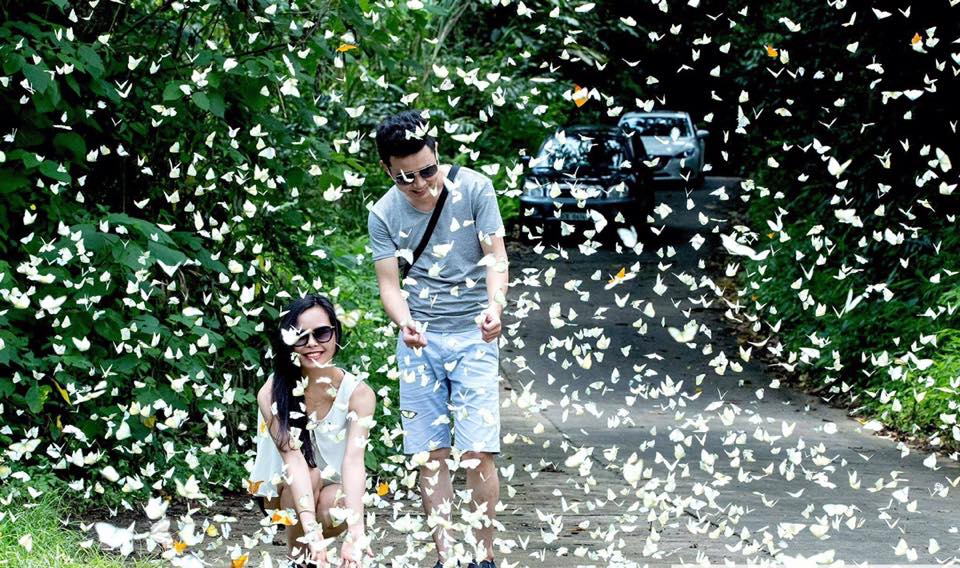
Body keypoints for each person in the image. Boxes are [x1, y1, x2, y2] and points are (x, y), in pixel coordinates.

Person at [367, 109, 509, 568]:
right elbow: (389, 284)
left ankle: (482, 557)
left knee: (477, 450)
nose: (421, 183)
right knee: (431, 455)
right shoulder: (383, 213)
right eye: (406, 176)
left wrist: (495, 307)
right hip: (420, 340)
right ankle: (446, 558)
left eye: (428, 170)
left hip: (474, 335)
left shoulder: (475, 189)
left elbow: (496, 257)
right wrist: (404, 321)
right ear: (387, 170)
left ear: (438, 154)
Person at [248, 294, 377, 568]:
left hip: (334, 492)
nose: (312, 344)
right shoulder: (271, 393)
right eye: (300, 336)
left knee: (336, 502)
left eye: (321, 333)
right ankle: (300, 560)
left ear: (335, 334)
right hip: (282, 492)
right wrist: (311, 531)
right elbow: (293, 461)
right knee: (310, 471)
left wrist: (356, 532)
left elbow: (354, 462)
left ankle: (311, 557)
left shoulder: (359, 394)